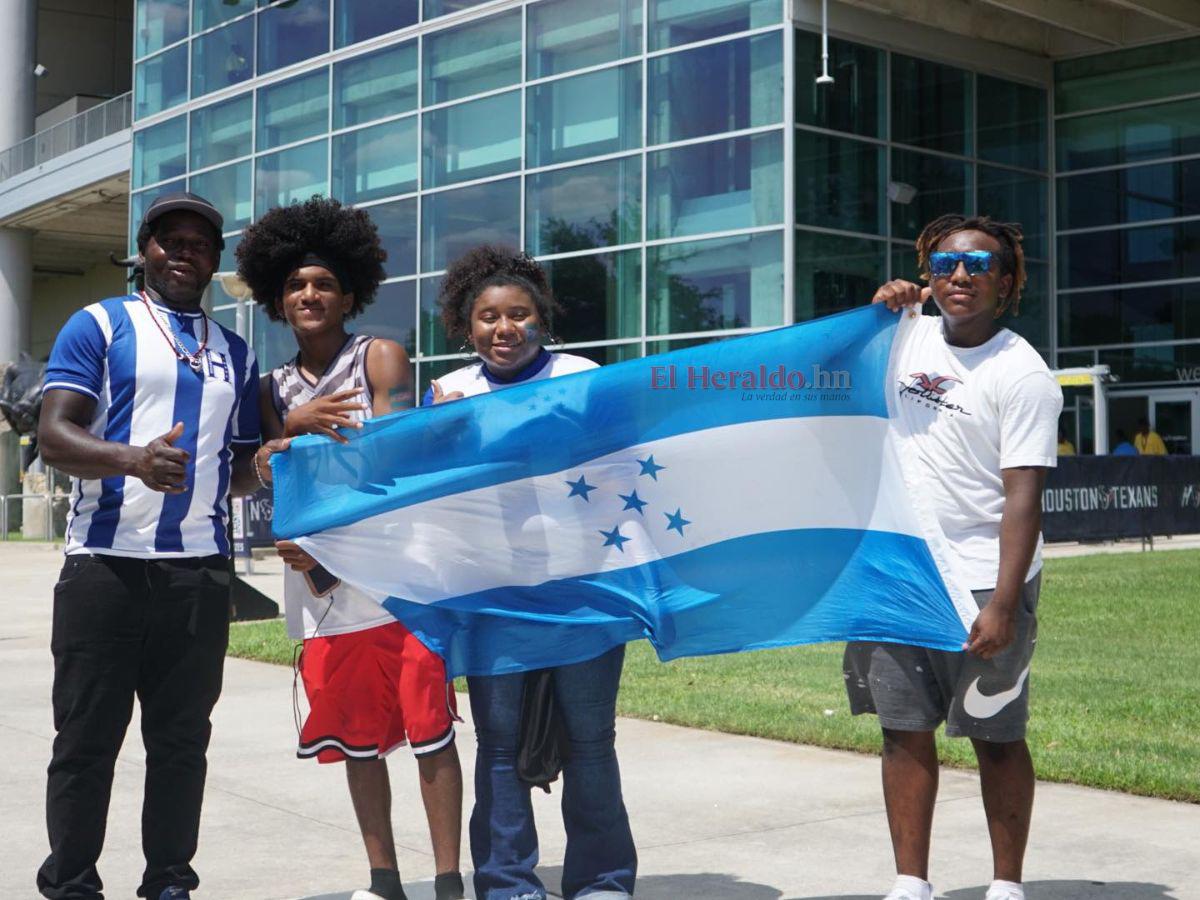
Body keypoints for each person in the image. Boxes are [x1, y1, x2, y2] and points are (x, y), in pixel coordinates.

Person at [35, 192, 268, 900]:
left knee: (180, 746)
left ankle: (169, 882)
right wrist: (133, 460)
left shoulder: (237, 352)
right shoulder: (99, 324)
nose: (184, 251)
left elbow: (239, 469)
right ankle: (72, 884)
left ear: (215, 259)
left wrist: (298, 453)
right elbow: (53, 436)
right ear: (145, 250)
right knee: (84, 747)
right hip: (104, 570)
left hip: (197, 576)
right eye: (169, 239)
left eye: (200, 242)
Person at [239, 197, 465, 900]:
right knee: (358, 740)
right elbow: (263, 479)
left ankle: (451, 879)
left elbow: (396, 465)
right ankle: (383, 879)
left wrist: (302, 451)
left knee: (430, 729)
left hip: (399, 575)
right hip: (324, 589)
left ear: (348, 294)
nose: (310, 294)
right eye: (296, 285)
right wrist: (288, 437)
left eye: (324, 284)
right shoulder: (271, 389)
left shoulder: (381, 355)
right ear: (279, 299)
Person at [844, 215, 1063, 900]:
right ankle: (912, 882)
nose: (959, 275)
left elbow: (1022, 499)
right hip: (900, 574)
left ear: (1007, 280)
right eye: (943, 263)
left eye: (978, 264)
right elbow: (832, 375)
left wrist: (1002, 603)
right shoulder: (901, 336)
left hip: (981, 581)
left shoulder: (1021, 373)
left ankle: (1006, 885)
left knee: (996, 736)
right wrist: (879, 311)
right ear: (926, 271)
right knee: (903, 731)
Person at [427, 245, 636, 900]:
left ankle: (602, 881)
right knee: (499, 747)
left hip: (584, 591)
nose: (503, 328)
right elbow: (426, 492)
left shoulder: (583, 377)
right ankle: (508, 884)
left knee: (590, 744)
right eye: (488, 317)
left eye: (519, 314)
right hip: (494, 600)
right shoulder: (450, 394)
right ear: (467, 326)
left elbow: (621, 470)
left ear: (541, 321)